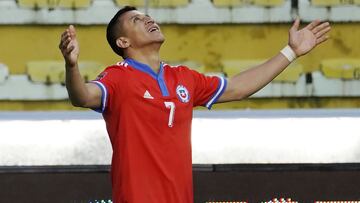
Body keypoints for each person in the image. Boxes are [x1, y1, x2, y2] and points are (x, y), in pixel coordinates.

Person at [59, 6, 330, 203]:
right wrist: (72, 66)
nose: (148, 19)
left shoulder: (183, 77)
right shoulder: (117, 77)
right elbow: (82, 96)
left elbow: (238, 87)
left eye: (147, 16)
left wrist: (291, 52)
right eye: (136, 19)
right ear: (123, 41)